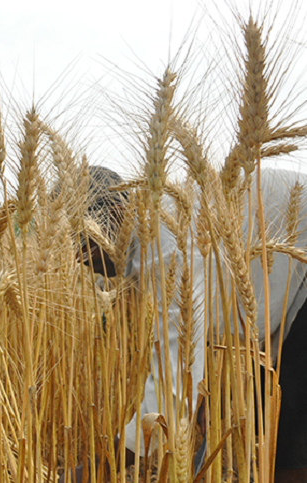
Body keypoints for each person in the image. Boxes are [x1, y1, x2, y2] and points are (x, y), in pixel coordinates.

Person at [79, 165, 307, 483]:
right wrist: (200, 389)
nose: (83, 261)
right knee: (276, 413)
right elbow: (197, 326)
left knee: (290, 421)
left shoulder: (163, 245)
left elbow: (168, 391)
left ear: (117, 213)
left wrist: (98, 469)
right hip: (294, 274)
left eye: (83, 244)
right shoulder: (155, 230)